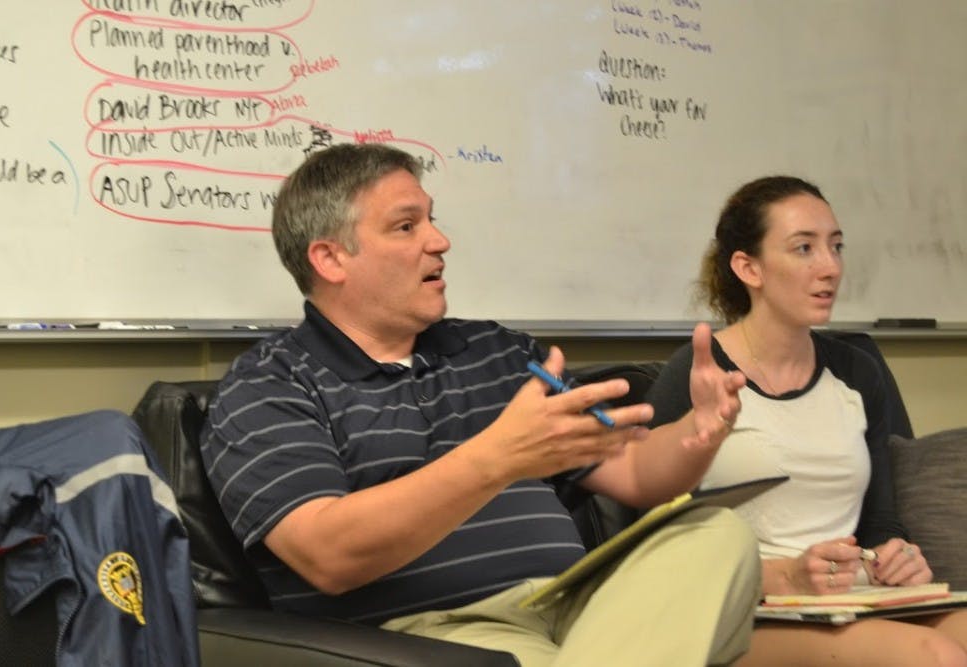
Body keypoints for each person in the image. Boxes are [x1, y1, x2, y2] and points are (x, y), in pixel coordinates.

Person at [200, 142, 759, 666]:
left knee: (712, 533)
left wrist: (698, 431)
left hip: (576, 603)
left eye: (432, 219)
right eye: (405, 226)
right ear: (330, 259)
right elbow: (328, 553)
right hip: (440, 634)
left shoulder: (497, 351)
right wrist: (498, 457)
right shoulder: (269, 387)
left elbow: (637, 473)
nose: (439, 241)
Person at [645, 175, 967, 666]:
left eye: (835, 247)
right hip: (745, 609)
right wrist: (784, 574)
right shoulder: (697, 371)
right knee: (933, 656)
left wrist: (898, 556)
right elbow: (656, 541)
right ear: (748, 267)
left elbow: (880, 520)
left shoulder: (857, 368)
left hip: (854, 599)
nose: (830, 267)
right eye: (804, 249)